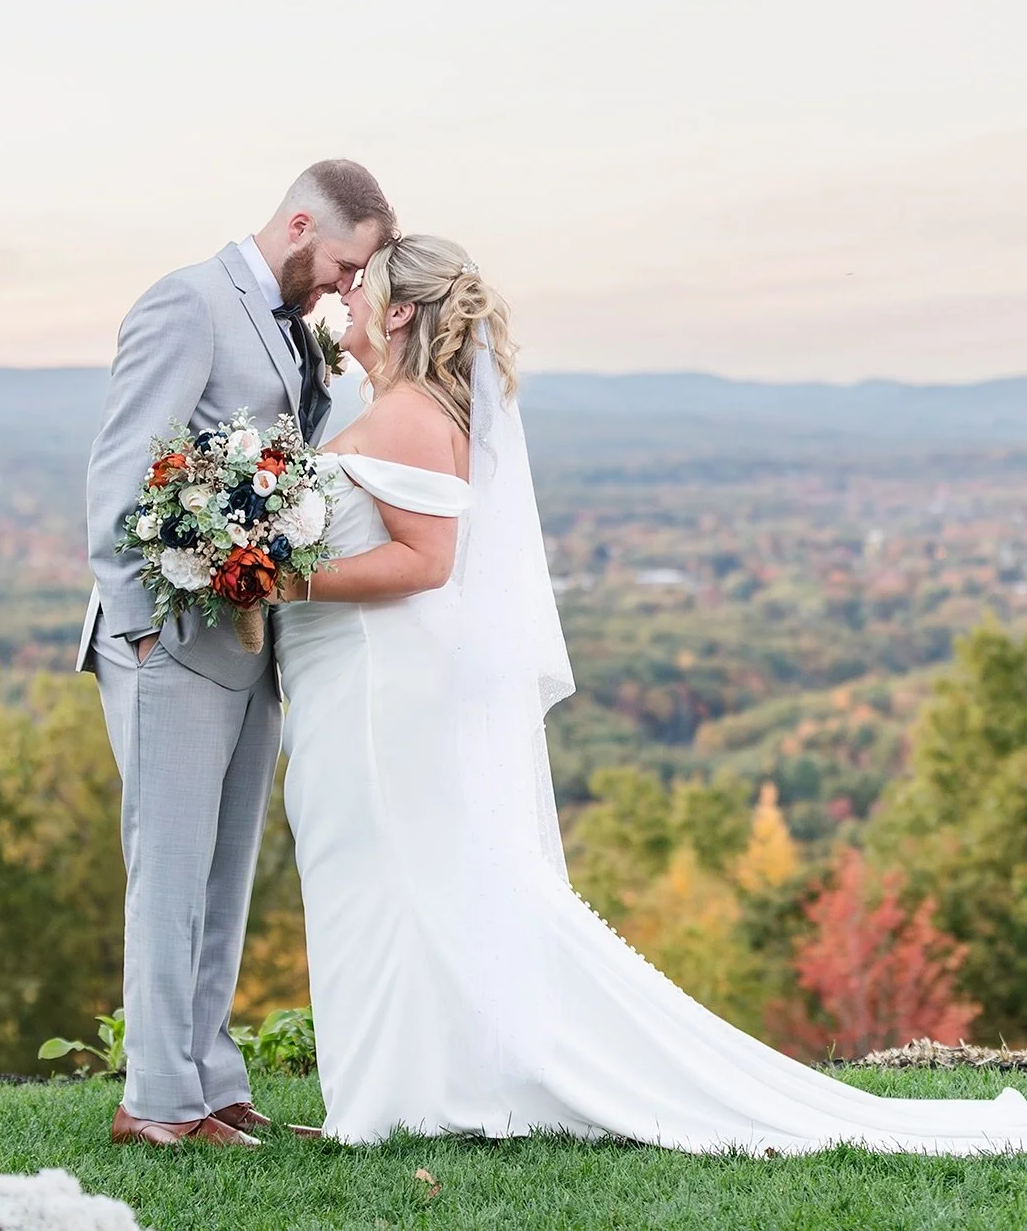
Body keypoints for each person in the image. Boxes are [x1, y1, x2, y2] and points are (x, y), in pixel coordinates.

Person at [272, 234, 1027, 1153]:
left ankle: (392, 1102)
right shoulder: (405, 406)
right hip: (361, 684)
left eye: (364, 288)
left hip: (376, 694)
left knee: (381, 880)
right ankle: (402, 1093)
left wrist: (281, 578)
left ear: (399, 312)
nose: (345, 298)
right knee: (387, 884)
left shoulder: (406, 415)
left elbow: (426, 561)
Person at [79, 161, 397, 1147]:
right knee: (170, 871)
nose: (347, 285)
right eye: (345, 264)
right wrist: (141, 626)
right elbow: (124, 465)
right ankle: (155, 1100)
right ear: (300, 224)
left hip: (250, 643)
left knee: (224, 877)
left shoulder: (295, 326)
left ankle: (213, 1083)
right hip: (170, 639)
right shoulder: (188, 303)